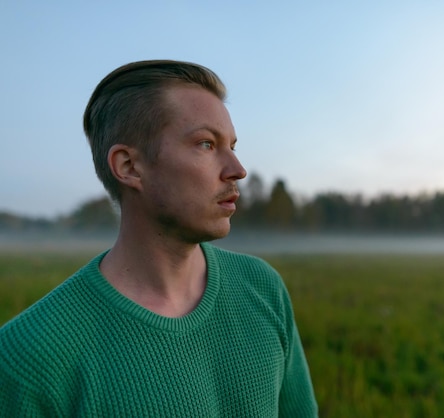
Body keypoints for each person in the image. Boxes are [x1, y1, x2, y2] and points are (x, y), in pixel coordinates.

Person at [0, 60, 318, 417]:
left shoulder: (262, 287)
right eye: (206, 144)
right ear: (129, 167)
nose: (237, 169)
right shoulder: (27, 356)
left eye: (232, 145)